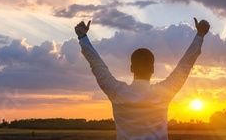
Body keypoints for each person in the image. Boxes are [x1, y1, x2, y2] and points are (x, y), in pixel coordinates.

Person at [75, 17, 210, 140]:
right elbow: (185, 66)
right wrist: (200, 35)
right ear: (152, 70)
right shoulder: (163, 93)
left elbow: (97, 65)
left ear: (131, 68)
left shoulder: (116, 91)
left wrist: (82, 37)